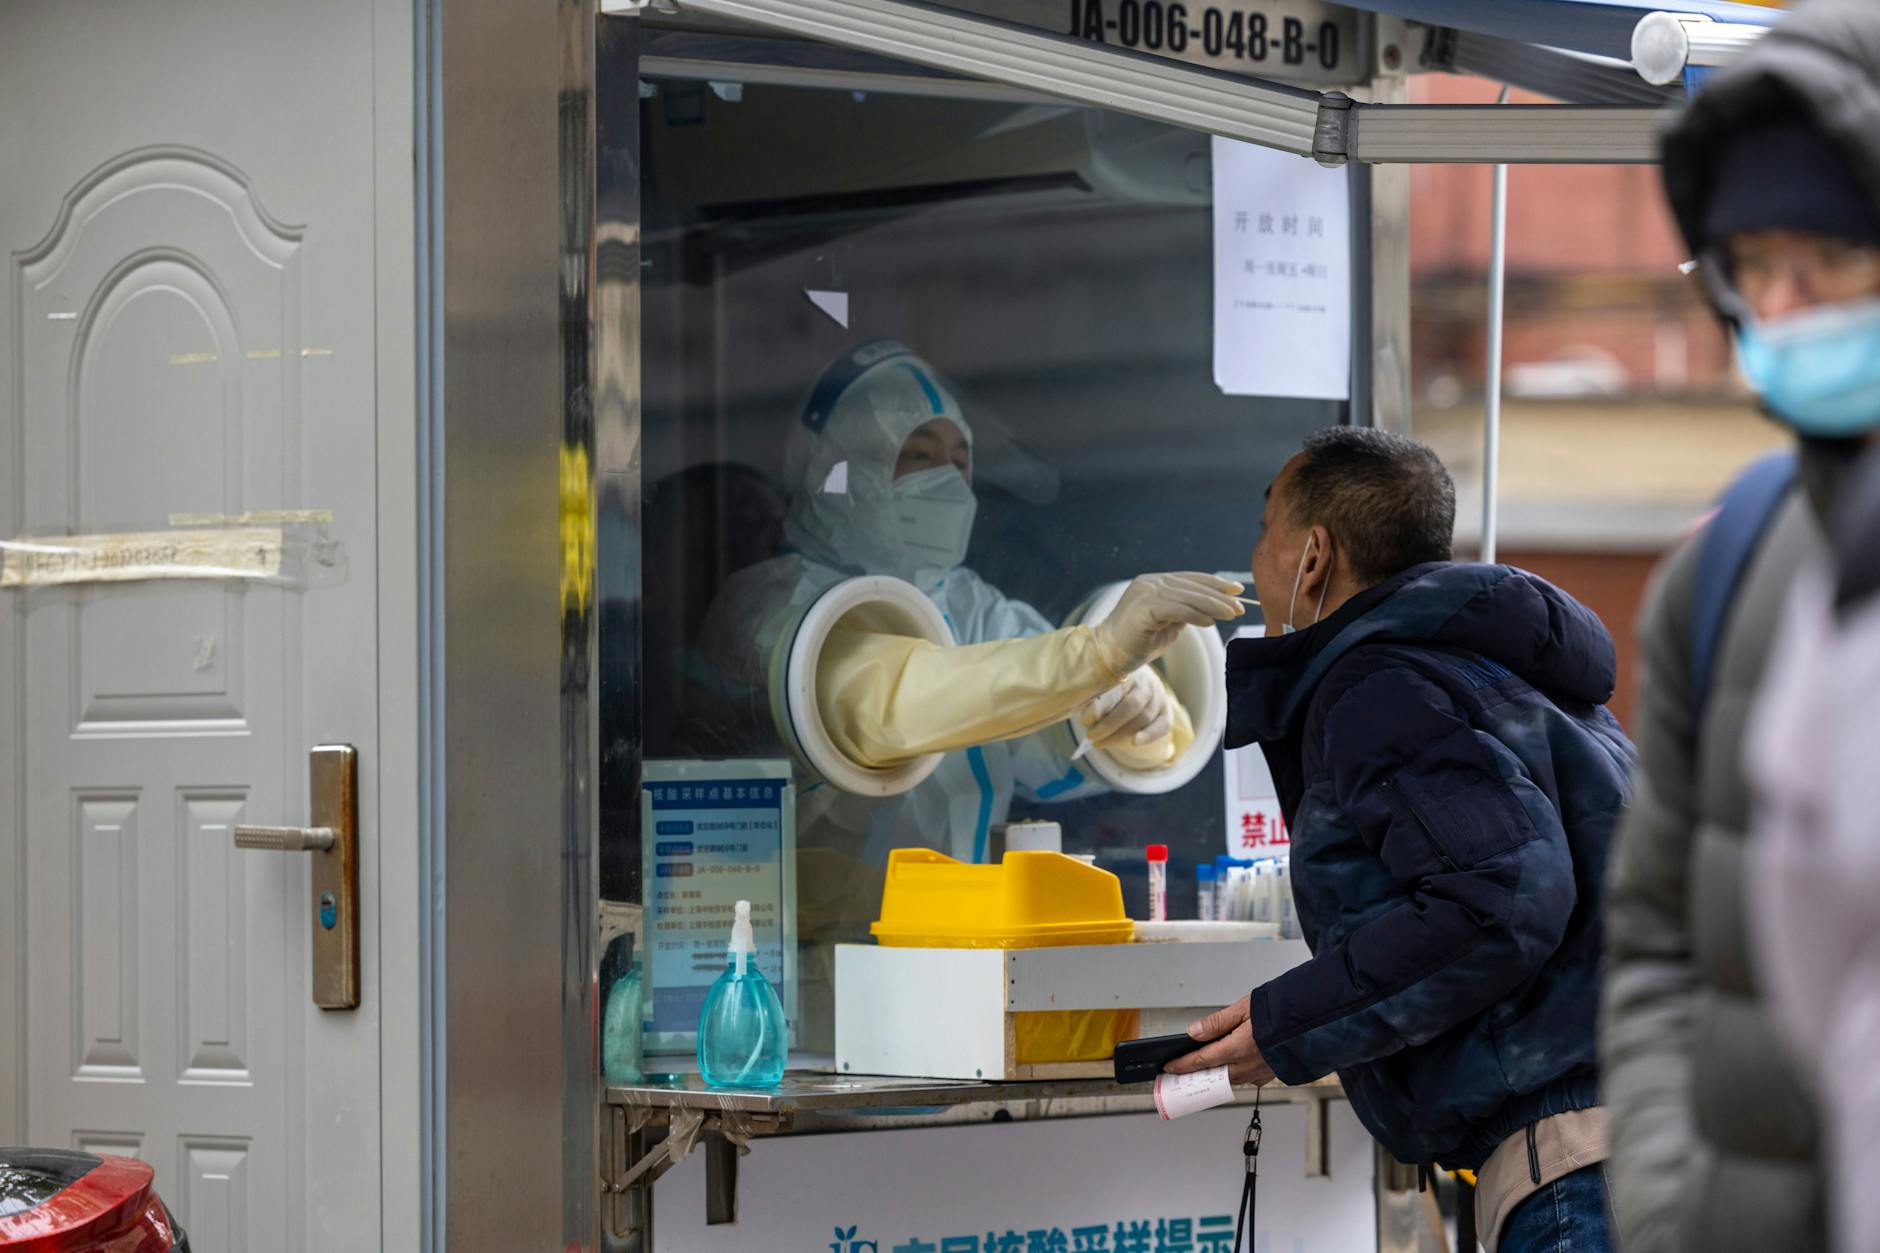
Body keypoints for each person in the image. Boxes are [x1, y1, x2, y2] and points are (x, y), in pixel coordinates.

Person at [1167, 427, 1633, 1253]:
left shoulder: (1378, 686)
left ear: (1313, 555)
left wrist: (1288, 1023)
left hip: (1586, 1169)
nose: (1255, 556)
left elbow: (1504, 900)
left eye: (1264, 526)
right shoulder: (1507, 673)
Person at [699, 338, 1241, 1044]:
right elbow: (892, 698)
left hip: (957, 982)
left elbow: (1047, 723)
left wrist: (1129, 713)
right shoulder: (769, 608)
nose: (949, 482)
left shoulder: (971, 606)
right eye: (918, 456)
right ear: (838, 470)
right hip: (806, 998)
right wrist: (1094, 654)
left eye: (960, 460)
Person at [1599, 3, 1880, 1247]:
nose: (1782, 305)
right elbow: (1657, 938)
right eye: (1745, 264)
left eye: (1823, 257)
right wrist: (1670, 1209)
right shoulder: (1724, 575)